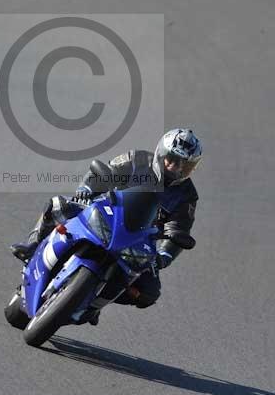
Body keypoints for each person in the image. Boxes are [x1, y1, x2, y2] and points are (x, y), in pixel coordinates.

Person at [11, 128, 202, 322]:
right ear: (161, 153)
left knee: (148, 293)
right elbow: (104, 173)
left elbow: (179, 229)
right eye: (171, 159)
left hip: (139, 240)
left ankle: (94, 304)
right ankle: (32, 245)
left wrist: (164, 257)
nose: (174, 168)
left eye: (183, 165)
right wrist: (85, 191)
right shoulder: (137, 160)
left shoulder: (187, 196)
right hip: (105, 214)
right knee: (58, 206)